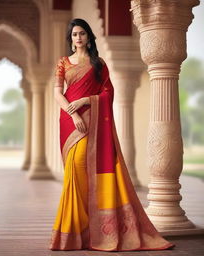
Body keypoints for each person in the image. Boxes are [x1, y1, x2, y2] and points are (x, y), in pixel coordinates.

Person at [49, 18, 175, 252]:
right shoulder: (63, 63)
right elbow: (57, 92)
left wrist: (87, 101)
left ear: (88, 37)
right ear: (71, 38)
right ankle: (76, 231)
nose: (79, 38)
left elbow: (107, 92)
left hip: (93, 119)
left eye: (82, 34)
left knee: (87, 173)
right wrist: (73, 113)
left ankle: (87, 232)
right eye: (75, 34)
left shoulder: (99, 64)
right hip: (70, 121)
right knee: (74, 173)